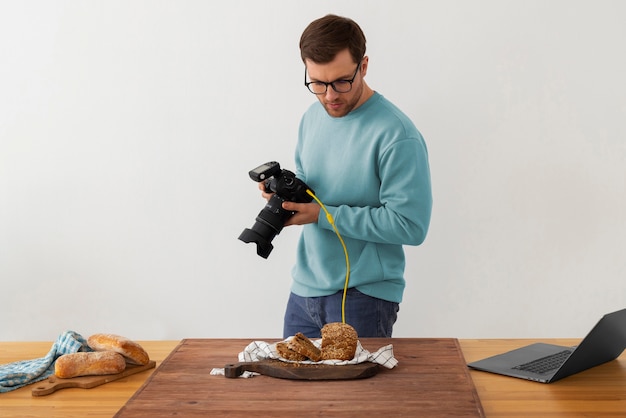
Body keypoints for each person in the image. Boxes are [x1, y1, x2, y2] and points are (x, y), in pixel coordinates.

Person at [260, 14, 432, 339]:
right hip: (304, 290)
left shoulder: (397, 135)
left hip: (363, 297)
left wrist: (322, 216)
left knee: (355, 393)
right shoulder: (313, 117)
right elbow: (314, 185)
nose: (329, 96)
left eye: (341, 81)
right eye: (318, 83)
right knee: (292, 391)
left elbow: (411, 225)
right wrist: (283, 192)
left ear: (363, 66)